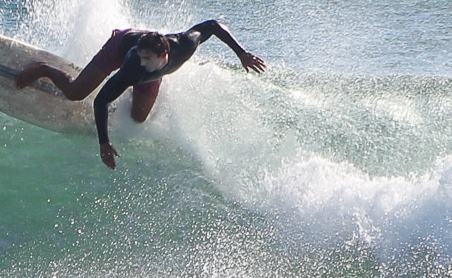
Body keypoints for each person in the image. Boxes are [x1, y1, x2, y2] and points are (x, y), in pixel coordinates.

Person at [15, 21, 266, 169]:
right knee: (76, 93)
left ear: (164, 56)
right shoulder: (133, 66)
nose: (142, 61)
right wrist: (104, 142)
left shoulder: (185, 45)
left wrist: (240, 53)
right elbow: (102, 99)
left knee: (138, 117)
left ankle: (140, 77)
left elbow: (212, 26)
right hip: (120, 47)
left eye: (148, 59)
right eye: (141, 57)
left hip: (150, 60)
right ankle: (44, 70)